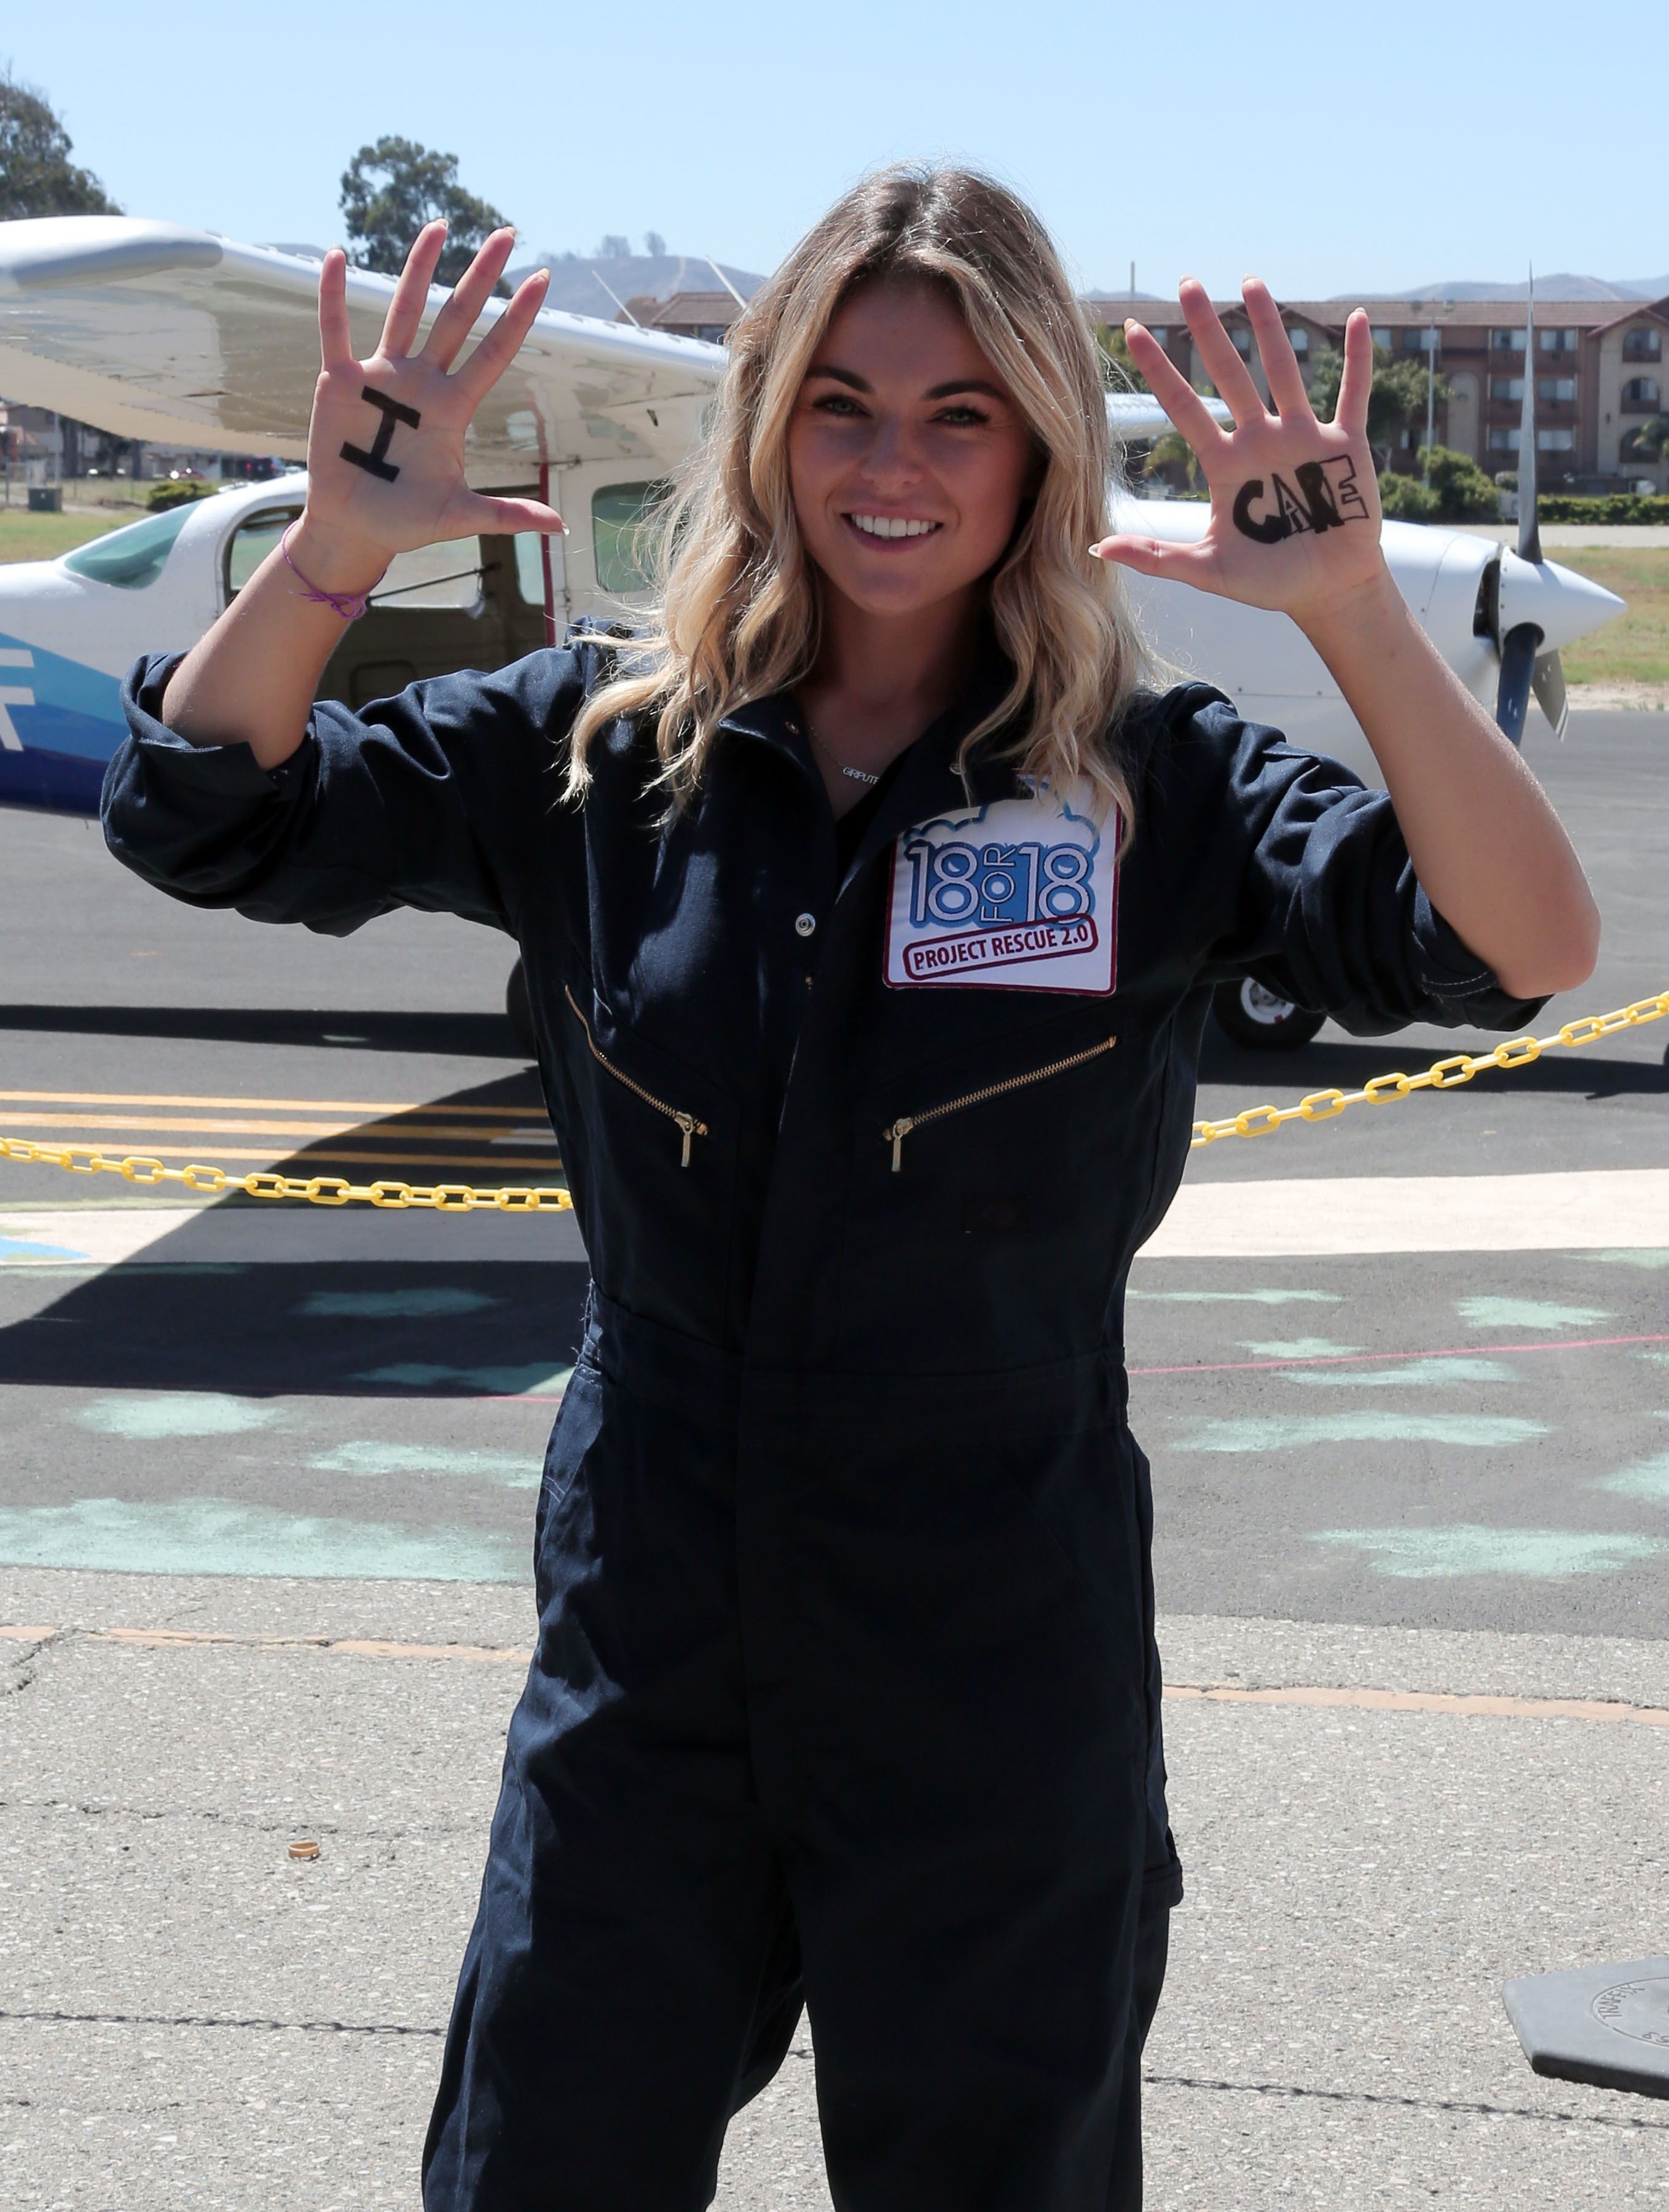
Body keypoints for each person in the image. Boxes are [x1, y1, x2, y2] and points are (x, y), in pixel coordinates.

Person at [101, 166, 1598, 2211]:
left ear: (1041, 449)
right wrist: (337, 555)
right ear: (767, 428)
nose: (892, 465)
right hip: (655, 1620)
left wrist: (1346, 614)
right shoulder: (607, 754)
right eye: (840, 403)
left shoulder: (1147, 788)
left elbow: (1513, 942)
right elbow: (208, 816)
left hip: (992, 1637)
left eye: (959, 412)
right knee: (540, 2165)